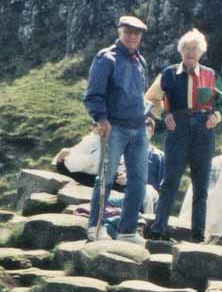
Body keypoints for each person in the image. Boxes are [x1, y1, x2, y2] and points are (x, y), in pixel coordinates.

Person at [144, 28, 222, 242]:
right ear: (181, 52)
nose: (191, 52)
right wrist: (165, 115)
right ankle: (159, 228)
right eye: (186, 48)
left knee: (201, 184)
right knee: (171, 180)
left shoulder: (211, 75)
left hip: (205, 129)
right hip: (178, 128)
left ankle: (198, 234)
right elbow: (150, 99)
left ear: (201, 52)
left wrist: (217, 117)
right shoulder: (168, 73)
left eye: (195, 49)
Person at [84, 15, 149, 243]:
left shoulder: (141, 62)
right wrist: (101, 119)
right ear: (120, 32)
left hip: (139, 129)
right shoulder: (106, 58)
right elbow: (93, 94)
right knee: (106, 178)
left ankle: (127, 231)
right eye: (128, 32)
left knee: (139, 181)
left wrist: (147, 119)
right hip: (114, 128)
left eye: (136, 33)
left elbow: (142, 95)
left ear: (141, 37)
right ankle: (95, 226)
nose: (132, 36)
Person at [53, 121, 126, 190]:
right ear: (92, 127)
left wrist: (124, 174)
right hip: (83, 175)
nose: (99, 127)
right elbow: (72, 158)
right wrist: (60, 160)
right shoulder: (89, 139)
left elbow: (121, 161)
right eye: (95, 125)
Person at [143, 116, 165, 214]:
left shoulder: (159, 156)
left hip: (148, 195)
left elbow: (163, 188)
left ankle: (148, 224)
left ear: (151, 132)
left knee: (147, 190)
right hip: (124, 191)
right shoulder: (123, 151)